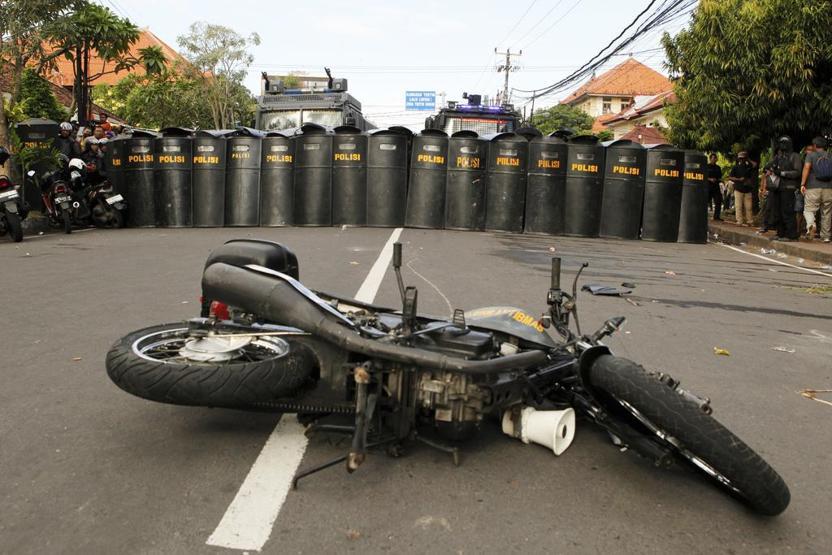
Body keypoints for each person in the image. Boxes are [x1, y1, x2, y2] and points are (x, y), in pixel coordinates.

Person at [766, 136, 802, 241]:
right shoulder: (779, 157)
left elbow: (797, 172)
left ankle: (791, 235)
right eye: (781, 143)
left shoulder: (794, 156)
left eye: (784, 143)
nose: (782, 145)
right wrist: (771, 166)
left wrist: (782, 173)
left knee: (788, 211)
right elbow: (769, 166)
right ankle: (780, 233)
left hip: (789, 187)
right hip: (778, 188)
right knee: (777, 212)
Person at [801, 136, 832, 242]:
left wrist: (802, 184)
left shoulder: (811, 155)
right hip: (829, 188)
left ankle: (811, 225)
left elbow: (806, 167)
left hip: (813, 187)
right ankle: (826, 236)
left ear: (814, 146)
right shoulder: (830, 155)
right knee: (826, 212)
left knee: (809, 209)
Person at [729, 151, 755, 226]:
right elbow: (730, 177)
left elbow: (755, 165)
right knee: (738, 206)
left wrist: (748, 159)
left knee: (749, 207)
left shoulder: (748, 166)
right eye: (740, 158)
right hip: (738, 189)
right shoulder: (735, 167)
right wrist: (738, 179)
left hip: (748, 189)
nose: (742, 160)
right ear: (738, 159)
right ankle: (739, 221)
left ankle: (750, 221)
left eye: (743, 158)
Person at [706, 154, 723, 221]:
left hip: (716, 187)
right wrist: (710, 179)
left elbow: (720, 177)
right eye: (713, 158)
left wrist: (717, 180)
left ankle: (716, 216)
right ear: (710, 159)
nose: (714, 159)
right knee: (706, 201)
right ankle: (703, 215)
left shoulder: (718, 167)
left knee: (718, 201)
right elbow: (703, 176)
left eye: (715, 158)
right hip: (708, 187)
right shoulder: (706, 166)